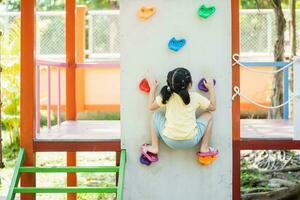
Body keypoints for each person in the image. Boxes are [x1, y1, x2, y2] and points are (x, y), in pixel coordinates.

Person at [141, 67, 218, 161]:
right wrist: (211, 88)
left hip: (170, 141)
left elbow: (150, 106)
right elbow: (213, 107)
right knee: (209, 115)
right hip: (191, 140)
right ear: (190, 84)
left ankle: (154, 147)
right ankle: (204, 147)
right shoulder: (195, 97)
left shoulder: (167, 96)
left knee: (155, 115)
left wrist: (153, 88)